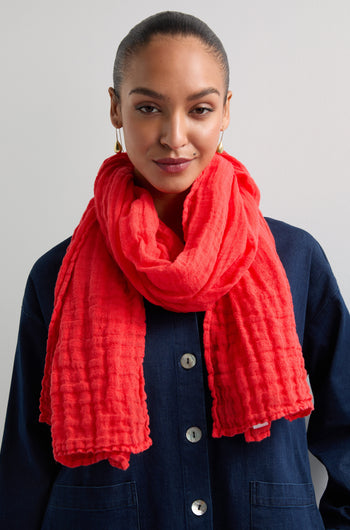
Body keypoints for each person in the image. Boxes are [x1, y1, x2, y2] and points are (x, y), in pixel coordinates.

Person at [0, 10, 349, 530]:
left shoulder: (294, 257)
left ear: (226, 112)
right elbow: (27, 463)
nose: (174, 136)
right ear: (116, 109)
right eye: (148, 107)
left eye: (200, 108)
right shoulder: (56, 275)